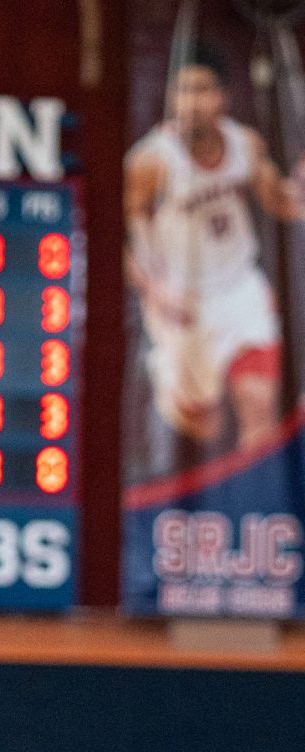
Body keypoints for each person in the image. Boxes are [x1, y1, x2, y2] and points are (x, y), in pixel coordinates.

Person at [124, 44, 302, 451]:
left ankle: (253, 505)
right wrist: (153, 291)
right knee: (204, 425)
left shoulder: (246, 145)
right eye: (182, 91)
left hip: (241, 288)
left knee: (259, 407)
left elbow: (280, 203)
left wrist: (299, 194)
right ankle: (169, 385)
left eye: (202, 90)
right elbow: (116, 237)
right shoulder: (150, 162)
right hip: (182, 301)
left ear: (221, 96)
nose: (191, 102)